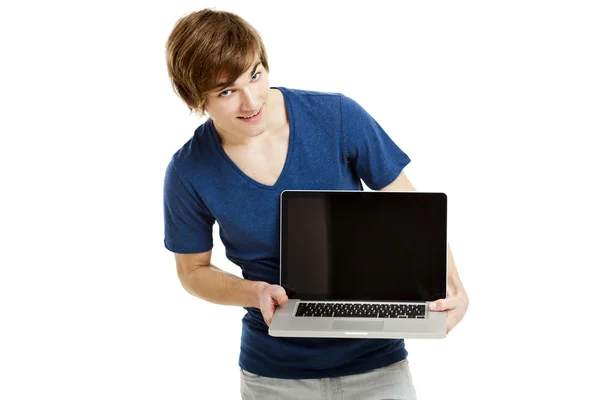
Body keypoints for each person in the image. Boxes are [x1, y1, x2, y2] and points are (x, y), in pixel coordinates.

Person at [163, 9, 469, 400]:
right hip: (273, 373)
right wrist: (254, 292)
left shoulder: (337, 117)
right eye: (226, 91)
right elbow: (192, 271)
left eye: (255, 75)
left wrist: (454, 286)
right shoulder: (189, 170)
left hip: (376, 361)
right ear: (194, 98)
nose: (251, 100)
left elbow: (413, 210)